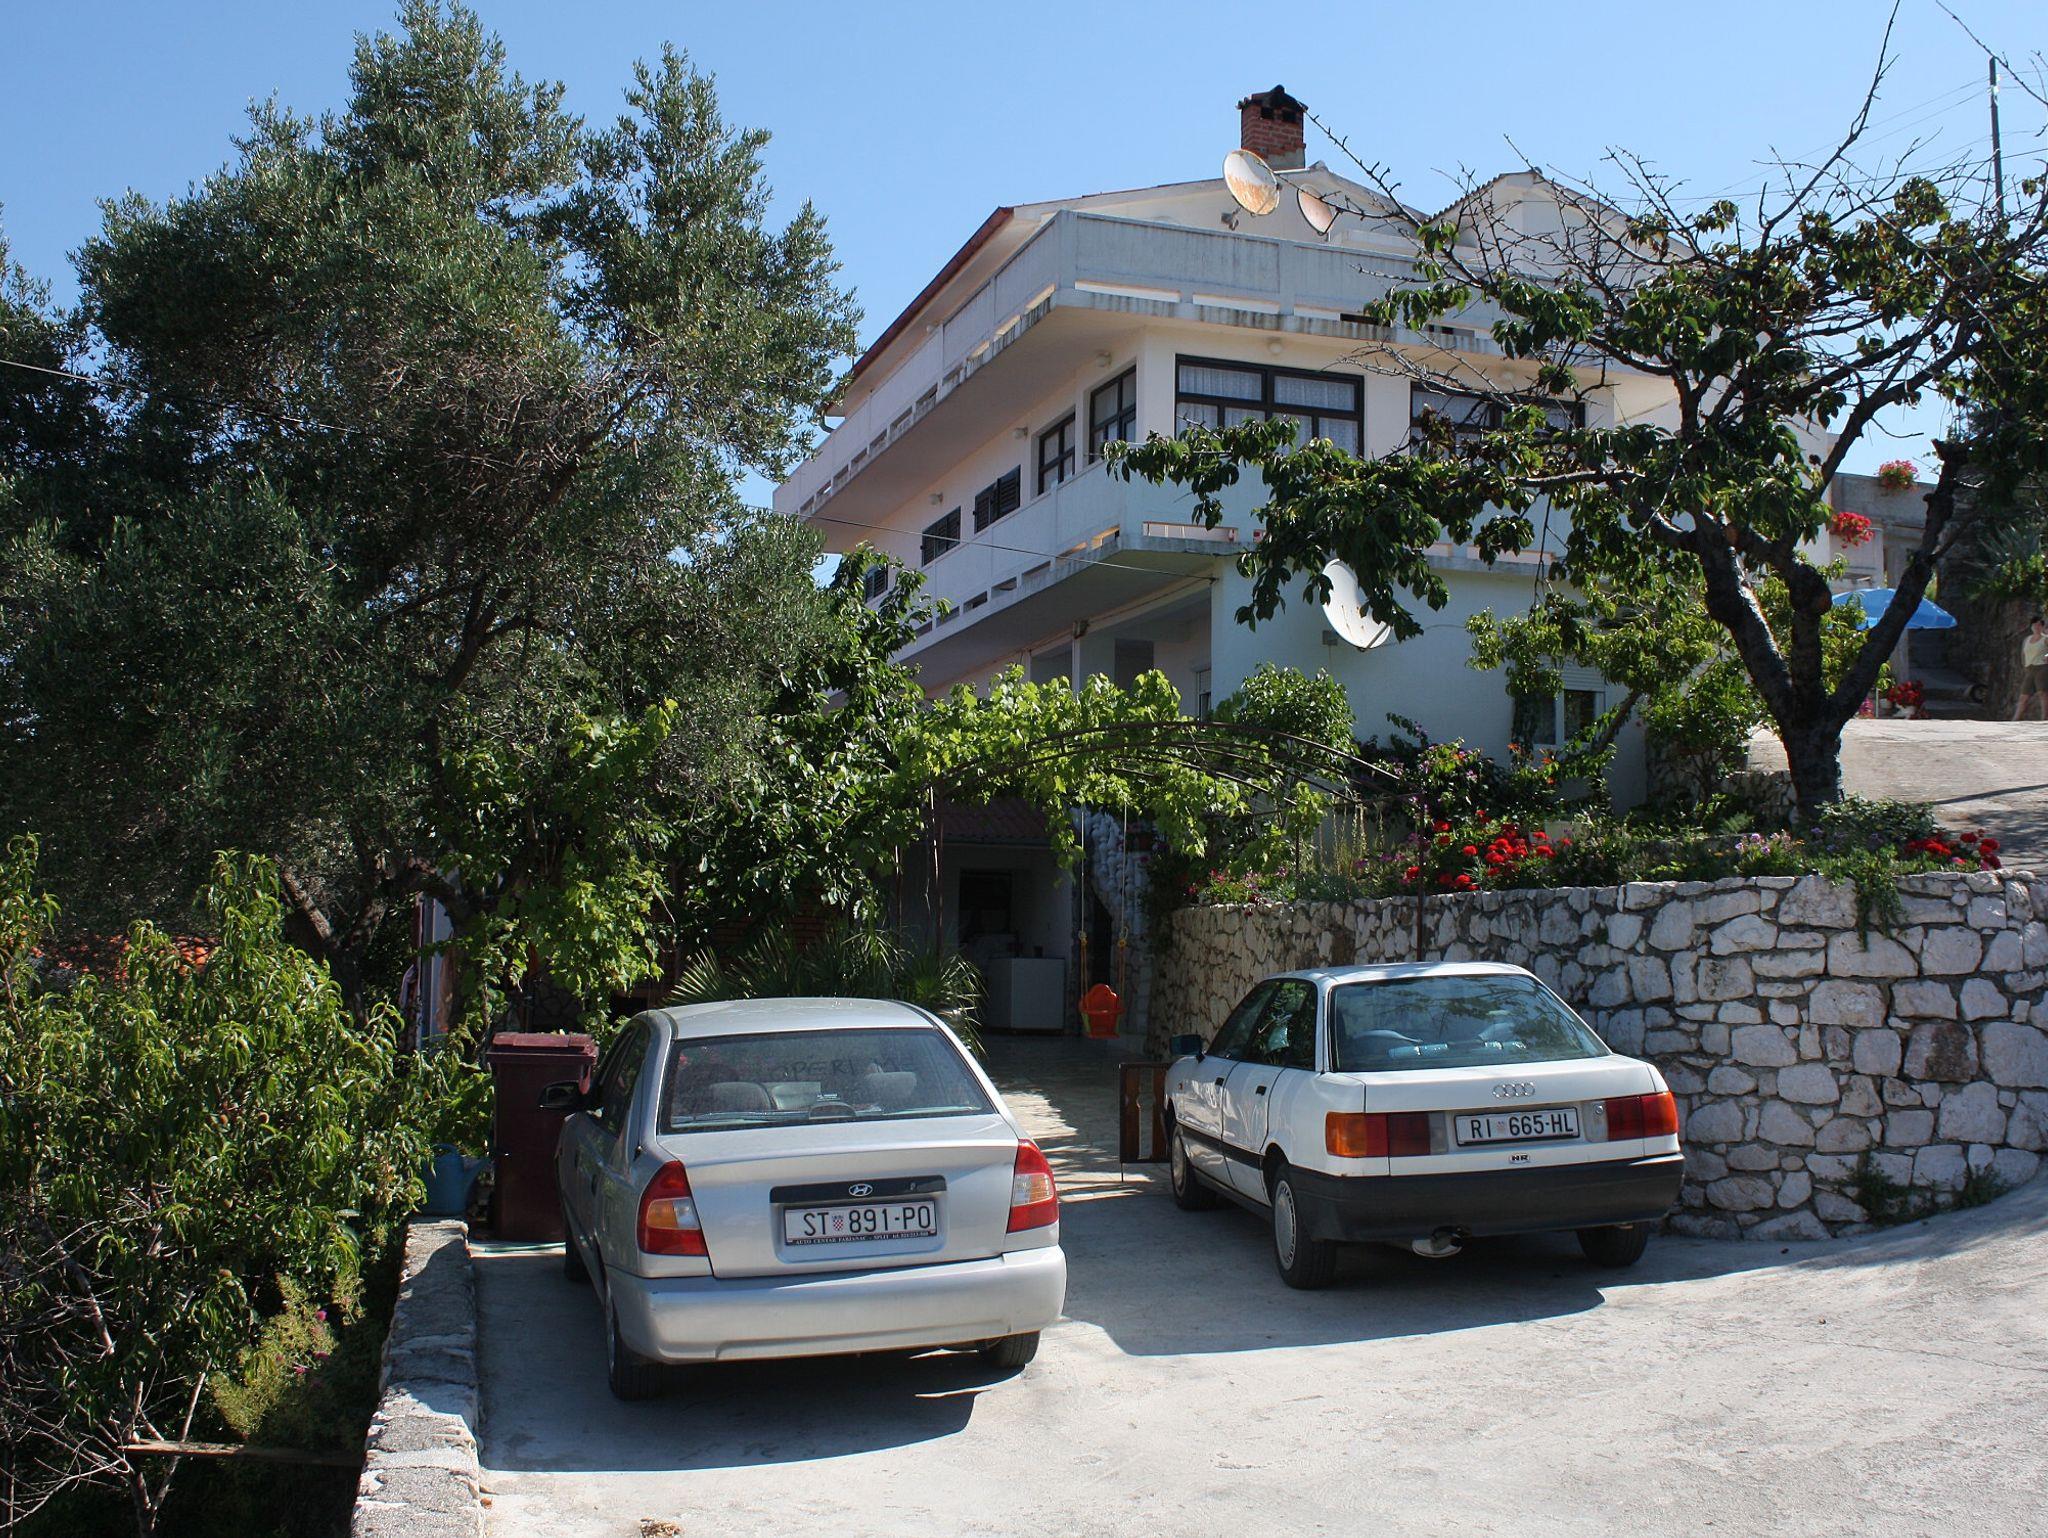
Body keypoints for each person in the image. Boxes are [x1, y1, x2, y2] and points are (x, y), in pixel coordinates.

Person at [2017, 616, 2048, 721]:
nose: (2036, 627)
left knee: (2042, 693)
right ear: (2031, 626)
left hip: (2042, 667)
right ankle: (2016, 718)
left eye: (2039, 625)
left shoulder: (2045, 639)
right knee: (2023, 696)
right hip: (2030, 668)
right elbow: (2023, 654)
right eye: (2034, 625)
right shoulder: (2027, 639)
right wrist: (2024, 665)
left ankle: (2044, 717)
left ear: (2042, 627)